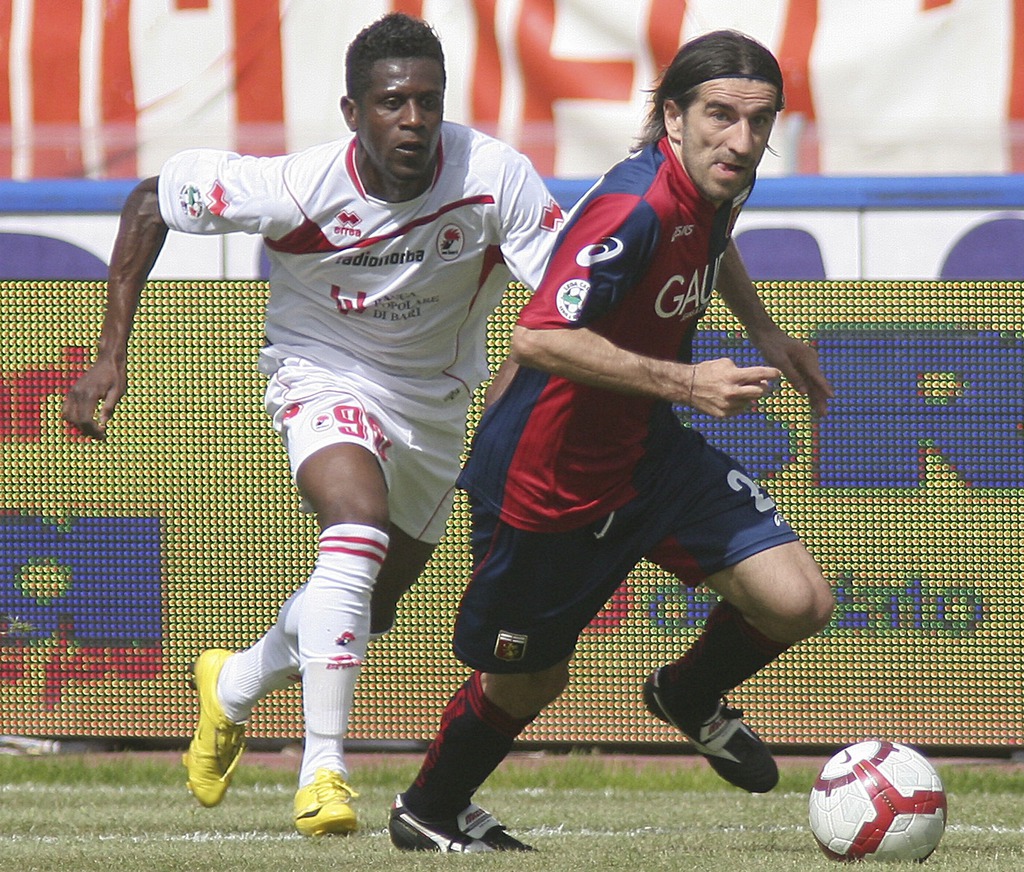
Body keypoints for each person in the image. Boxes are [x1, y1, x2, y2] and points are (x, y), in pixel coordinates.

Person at [61, 12, 563, 836]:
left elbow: (560, 311)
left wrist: (511, 405)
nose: (413, 121)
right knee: (354, 531)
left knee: (368, 604)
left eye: (428, 103)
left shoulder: (495, 176)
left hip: (434, 406)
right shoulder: (295, 186)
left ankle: (231, 685)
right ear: (352, 111)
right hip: (320, 371)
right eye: (393, 103)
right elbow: (150, 201)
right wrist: (109, 355)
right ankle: (323, 768)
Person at [387, 29, 836, 853]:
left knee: (798, 598)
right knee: (530, 679)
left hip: (646, 450)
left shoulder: (721, 177)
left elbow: (714, 240)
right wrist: (689, 383)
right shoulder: (634, 208)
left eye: (761, 120)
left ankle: (688, 694)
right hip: (547, 477)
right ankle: (430, 809)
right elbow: (539, 339)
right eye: (721, 116)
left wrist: (769, 336)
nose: (742, 140)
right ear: (673, 116)